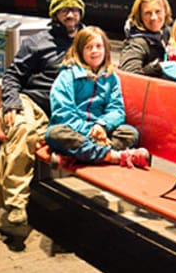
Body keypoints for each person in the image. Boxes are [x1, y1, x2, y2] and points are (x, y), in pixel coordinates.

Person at [0, 0, 85, 237]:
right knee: (22, 129)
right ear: (55, 15)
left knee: (17, 145)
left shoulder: (87, 42)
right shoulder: (37, 42)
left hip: (59, 113)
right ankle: (17, 204)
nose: (70, 15)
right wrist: (11, 103)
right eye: (64, 10)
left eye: (74, 9)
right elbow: (12, 76)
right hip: (28, 103)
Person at [45, 27, 151, 168]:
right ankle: (114, 156)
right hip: (75, 130)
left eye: (99, 46)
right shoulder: (67, 76)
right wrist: (91, 132)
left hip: (100, 130)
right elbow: (63, 113)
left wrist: (102, 125)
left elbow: (117, 109)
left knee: (130, 133)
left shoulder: (111, 78)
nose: (94, 51)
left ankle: (74, 156)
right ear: (80, 51)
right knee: (55, 134)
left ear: (106, 49)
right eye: (89, 47)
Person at [118, 0, 176, 85]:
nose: (154, 17)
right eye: (148, 13)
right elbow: (129, 77)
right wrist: (156, 68)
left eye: (158, 11)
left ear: (165, 11)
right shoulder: (136, 44)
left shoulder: (170, 34)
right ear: (140, 16)